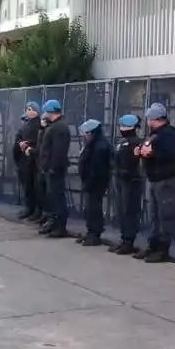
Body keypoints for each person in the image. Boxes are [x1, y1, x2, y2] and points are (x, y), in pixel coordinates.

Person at [138, 103, 175, 263]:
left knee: (166, 215)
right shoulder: (154, 134)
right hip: (155, 178)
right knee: (154, 215)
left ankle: (163, 249)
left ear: (155, 119)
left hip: (167, 179)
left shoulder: (169, 134)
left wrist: (151, 153)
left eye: (149, 118)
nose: (147, 121)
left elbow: (169, 154)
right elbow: (147, 147)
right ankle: (153, 245)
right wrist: (140, 150)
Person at [111, 114, 147, 256]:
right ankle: (124, 238)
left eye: (125, 126)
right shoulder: (122, 142)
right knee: (121, 210)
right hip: (120, 178)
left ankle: (129, 240)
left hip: (131, 180)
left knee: (129, 210)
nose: (122, 129)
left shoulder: (137, 142)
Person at [36, 100, 71, 238]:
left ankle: (59, 226)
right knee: (52, 197)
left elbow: (58, 151)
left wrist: (53, 167)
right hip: (50, 168)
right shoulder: (55, 127)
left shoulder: (59, 128)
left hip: (54, 169)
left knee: (57, 198)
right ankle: (54, 223)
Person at [77, 118, 112, 247]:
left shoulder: (100, 146)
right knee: (90, 208)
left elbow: (97, 167)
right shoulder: (93, 144)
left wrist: (90, 180)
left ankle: (95, 233)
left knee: (94, 208)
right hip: (90, 181)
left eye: (87, 133)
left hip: (96, 182)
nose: (86, 136)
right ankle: (90, 230)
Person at [14, 102, 43, 222]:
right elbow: (18, 137)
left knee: (33, 186)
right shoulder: (25, 126)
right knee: (26, 186)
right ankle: (29, 207)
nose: (28, 111)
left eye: (30, 109)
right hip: (23, 159)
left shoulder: (38, 125)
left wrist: (28, 145)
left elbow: (39, 141)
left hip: (33, 160)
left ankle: (36, 210)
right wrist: (20, 143)